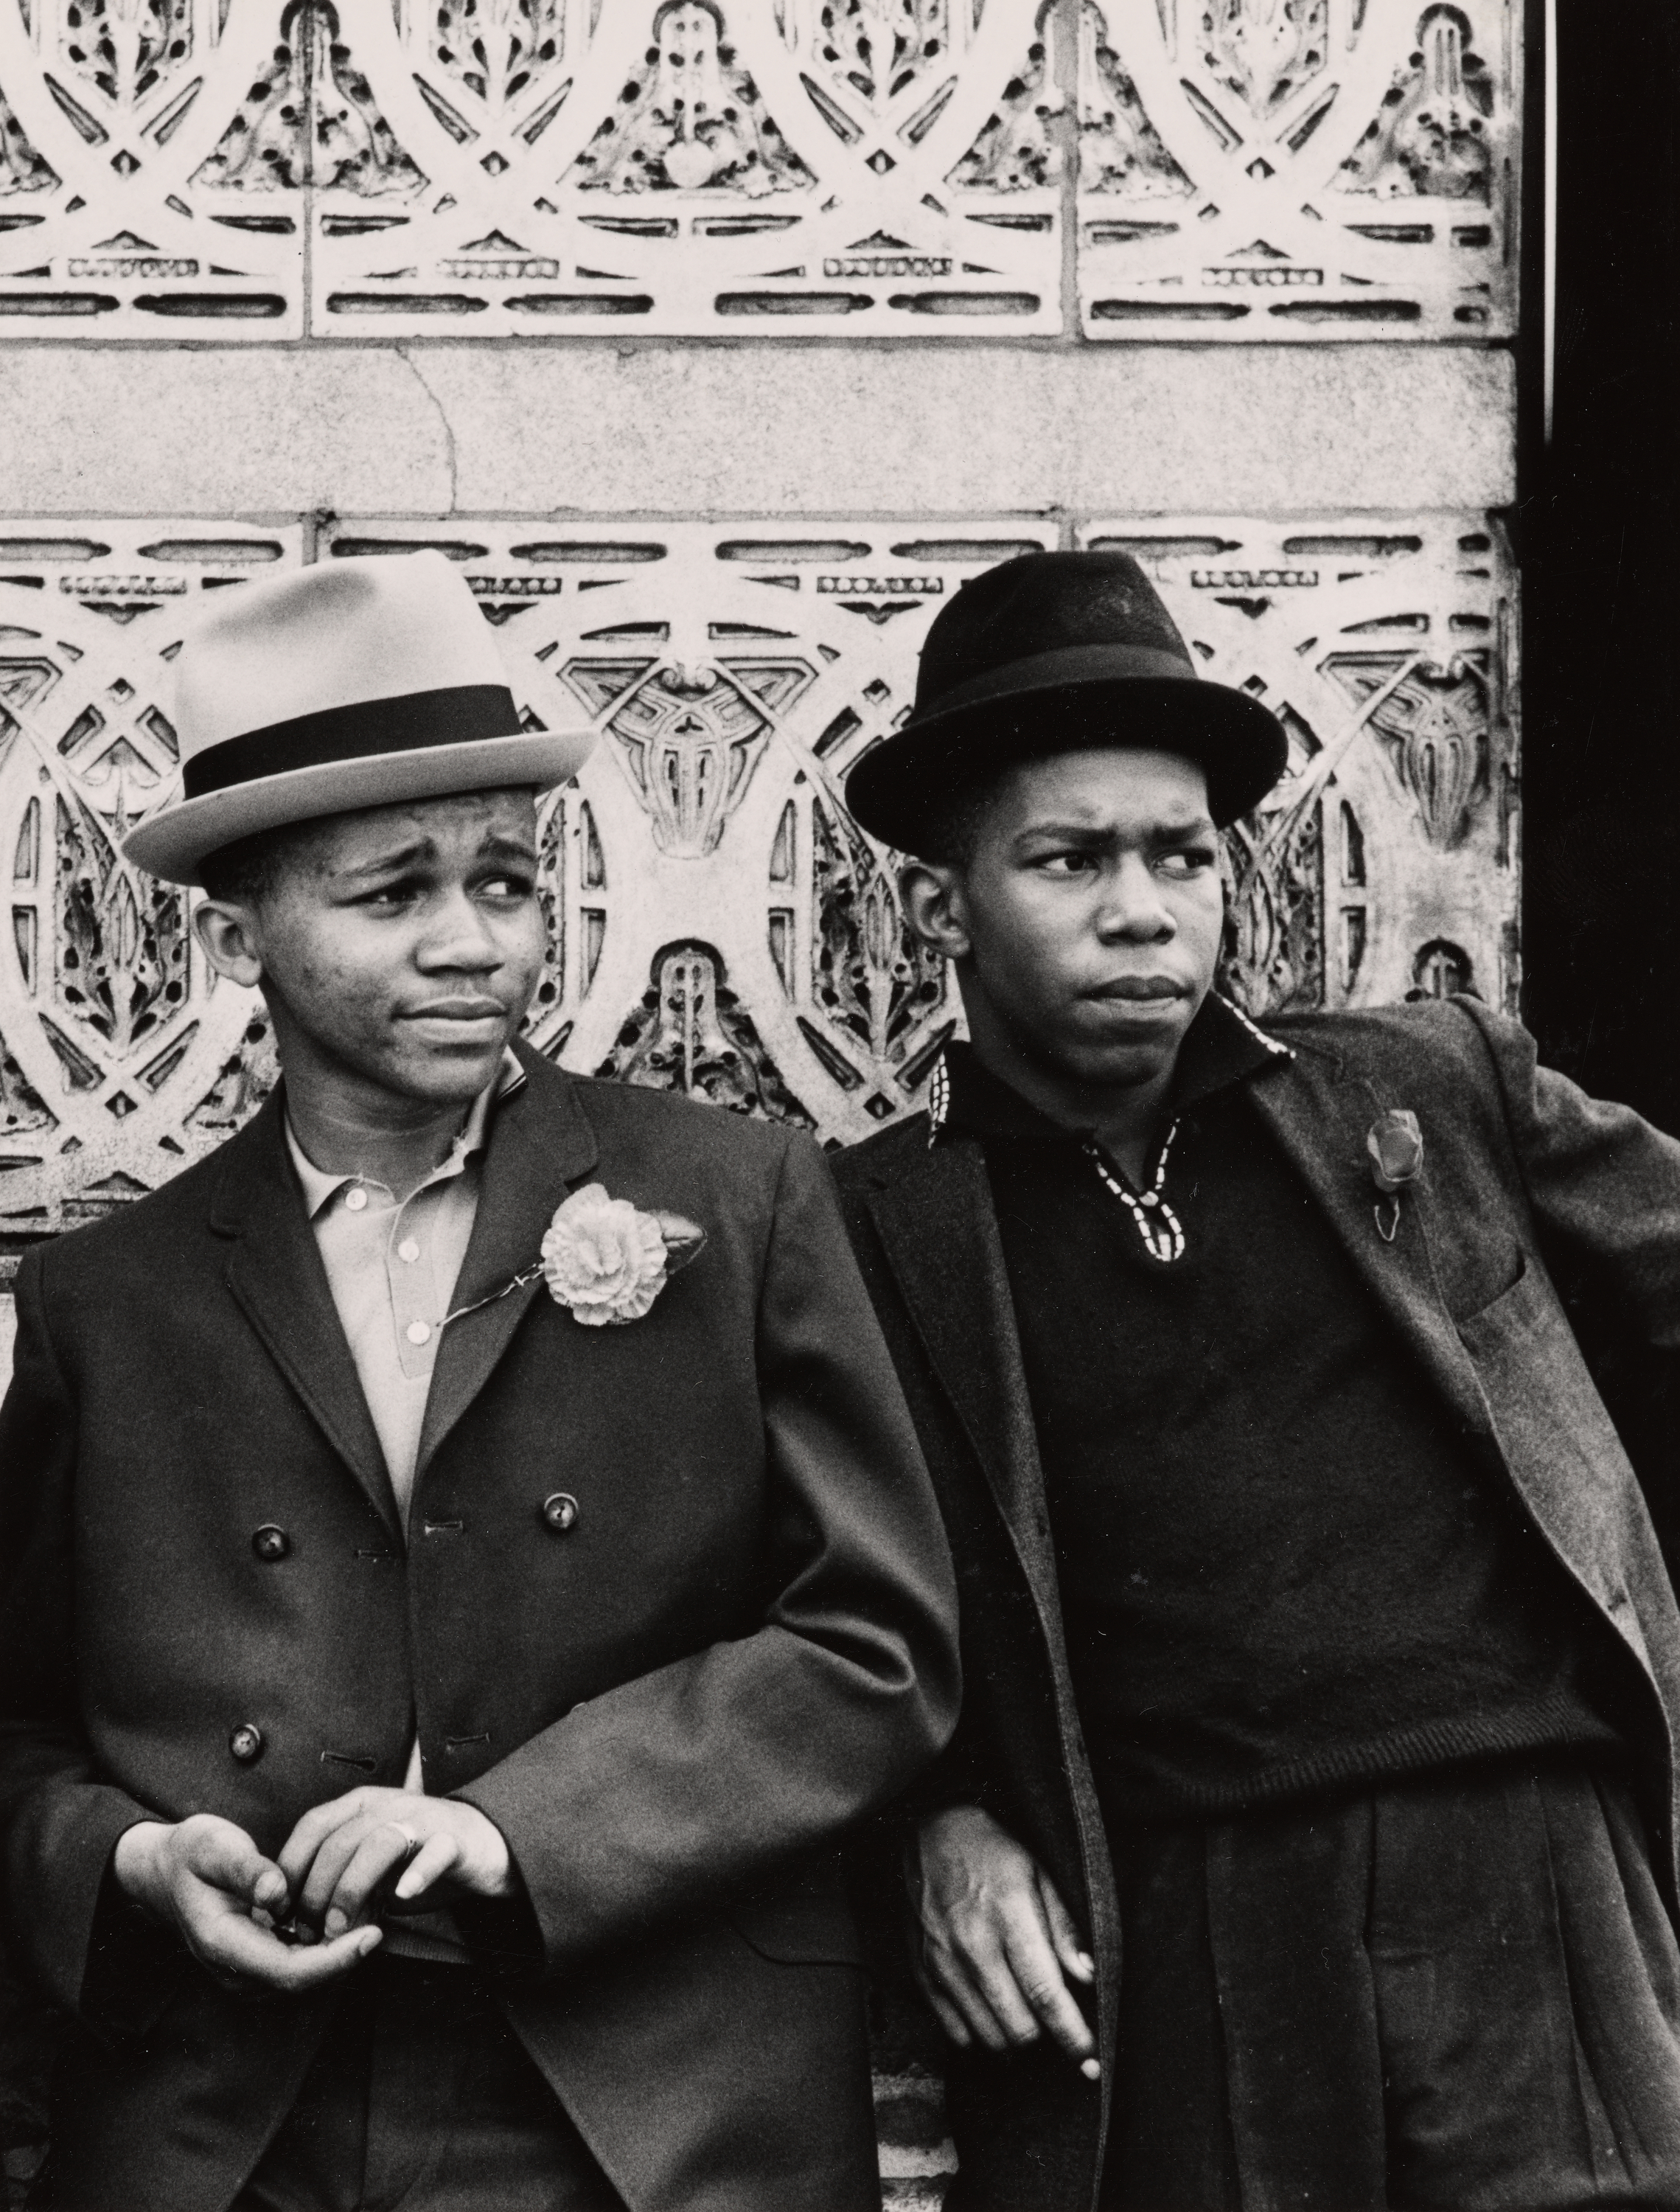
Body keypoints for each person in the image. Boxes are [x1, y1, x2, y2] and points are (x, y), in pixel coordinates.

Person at [0, 551, 960, 2212]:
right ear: (240, 944)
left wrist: (522, 1830)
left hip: (641, 2106)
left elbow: (874, 1646)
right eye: (392, 894)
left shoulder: (734, 1200)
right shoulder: (108, 1297)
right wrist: (135, 1862)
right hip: (235, 2123)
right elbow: (17, 1729)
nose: (471, 944)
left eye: (507, 883)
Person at [834, 549, 1680, 2212]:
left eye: (1180, 856)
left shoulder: (1431, 1090)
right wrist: (931, 1821)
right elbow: (802, 1594)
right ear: (941, 906)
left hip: (1531, 1870)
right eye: (1069, 860)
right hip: (1184, 1926)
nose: (1141, 909)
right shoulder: (868, 1226)